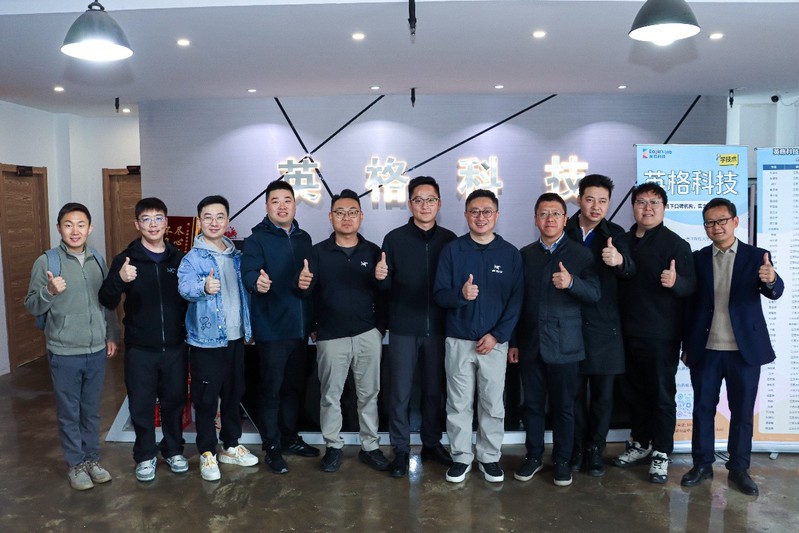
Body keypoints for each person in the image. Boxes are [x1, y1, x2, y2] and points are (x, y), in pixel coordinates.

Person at [681, 197, 783, 496]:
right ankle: (702, 464)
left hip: (744, 350)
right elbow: (690, 306)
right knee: (702, 409)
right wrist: (687, 345)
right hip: (706, 349)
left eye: (722, 220)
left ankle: (739, 468)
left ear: (735, 221)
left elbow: (773, 290)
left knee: (742, 412)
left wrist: (772, 279)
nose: (717, 227)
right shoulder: (699, 258)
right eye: (710, 222)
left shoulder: (757, 256)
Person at [24, 202, 120, 491]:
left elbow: (107, 302)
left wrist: (111, 335)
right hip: (64, 351)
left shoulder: (97, 259)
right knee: (69, 412)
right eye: (68, 224)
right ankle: (75, 464)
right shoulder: (47, 262)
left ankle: (92, 460)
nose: (75, 230)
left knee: (91, 410)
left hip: (96, 349)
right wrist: (48, 291)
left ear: (90, 228)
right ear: (59, 228)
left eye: (81, 224)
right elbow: (32, 305)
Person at [509, 193, 600, 487]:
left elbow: (594, 294)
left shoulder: (581, 254)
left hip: (566, 345)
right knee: (532, 406)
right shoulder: (525, 255)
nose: (550, 219)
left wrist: (571, 283)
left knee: (564, 407)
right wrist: (513, 342)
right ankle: (534, 456)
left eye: (556, 214)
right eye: (544, 214)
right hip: (531, 344)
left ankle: (562, 460)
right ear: (536, 219)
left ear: (565, 219)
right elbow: (516, 302)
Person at [433, 189, 523, 483]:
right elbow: (439, 294)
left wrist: (497, 336)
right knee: (458, 404)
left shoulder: (509, 253)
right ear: (466, 215)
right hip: (459, 340)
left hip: (494, 344)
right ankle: (461, 457)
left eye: (487, 211)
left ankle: (489, 457)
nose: (480, 217)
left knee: (492, 404)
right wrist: (460, 295)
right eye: (474, 211)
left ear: (497, 215)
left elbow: (516, 301)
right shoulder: (453, 250)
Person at [297, 189, 389, 473]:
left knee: (369, 394)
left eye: (352, 212)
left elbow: (385, 294)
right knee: (330, 395)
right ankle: (333, 447)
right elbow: (307, 294)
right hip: (331, 336)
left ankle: (370, 447)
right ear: (330, 217)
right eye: (340, 212)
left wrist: (379, 328)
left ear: (361, 216)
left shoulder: (373, 252)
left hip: (367, 334)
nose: (346, 218)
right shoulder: (317, 252)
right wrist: (303, 288)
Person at [99, 197, 189, 482]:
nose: (153, 224)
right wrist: (120, 279)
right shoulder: (126, 259)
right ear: (137, 224)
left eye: (158, 218)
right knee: (141, 404)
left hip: (175, 346)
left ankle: (173, 450)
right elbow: (106, 299)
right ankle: (145, 455)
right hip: (140, 348)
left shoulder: (179, 258)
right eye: (146, 219)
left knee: (174, 401)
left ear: (166, 222)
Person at [613, 183, 696, 484]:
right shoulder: (620, 241)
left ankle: (662, 451)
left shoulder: (676, 245)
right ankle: (641, 443)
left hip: (661, 334)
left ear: (664, 207)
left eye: (654, 202)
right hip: (626, 332)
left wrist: (676, 282)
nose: (647, 208)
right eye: (641, 202)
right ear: (633, 206)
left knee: (661, 395)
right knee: (633, 393)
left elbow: (691, 287)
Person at [375, 176, 457, 477]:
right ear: (410, 204)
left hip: (440, 328)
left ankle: (432, 443)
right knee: (400, 392)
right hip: (403, 327)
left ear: (439, 203)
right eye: (419, 200)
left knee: (435, 390)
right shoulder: (394, 239)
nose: (425, 205)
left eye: (430, 199)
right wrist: (380, 277)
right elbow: (383, 287)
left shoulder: (450, 240)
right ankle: (400, 448)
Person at [178, 195, 258, 482]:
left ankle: (231, 446)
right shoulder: (192, 258)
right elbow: (184, 288)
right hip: (206, 342)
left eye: (220, 216)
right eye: (208, 217)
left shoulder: (237, 256)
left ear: (228, 220)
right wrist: (203, 286)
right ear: (200, 221)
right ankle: (207, 452)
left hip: (235, 338)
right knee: (206, 399)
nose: (214, 222)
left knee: (234, 394)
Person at [242, 179, 318, 474]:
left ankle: (289, 438)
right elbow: (249, 272)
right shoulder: (256, 240)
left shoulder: (304, 238)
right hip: (272, 329)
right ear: (267, 206)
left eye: (287, 200)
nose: (282, 206)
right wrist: (257, 282)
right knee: (271, 391)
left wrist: (307, 286)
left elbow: (309, 282)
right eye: (275, 201)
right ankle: (272, 447)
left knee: (293, 389)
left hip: (300, 330)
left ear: (295, 205)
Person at [563, 174, 633, 477]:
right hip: (570, 325)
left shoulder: (616, 234)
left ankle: (595, 449)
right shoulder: (564, 230)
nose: (596, 206)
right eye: (590, 199)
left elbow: (632, 272)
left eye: (602, 201)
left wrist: (620, 262)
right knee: (574, 394)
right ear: (579, 199)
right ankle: (577, 447)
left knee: (603, 397)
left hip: (606, 328)